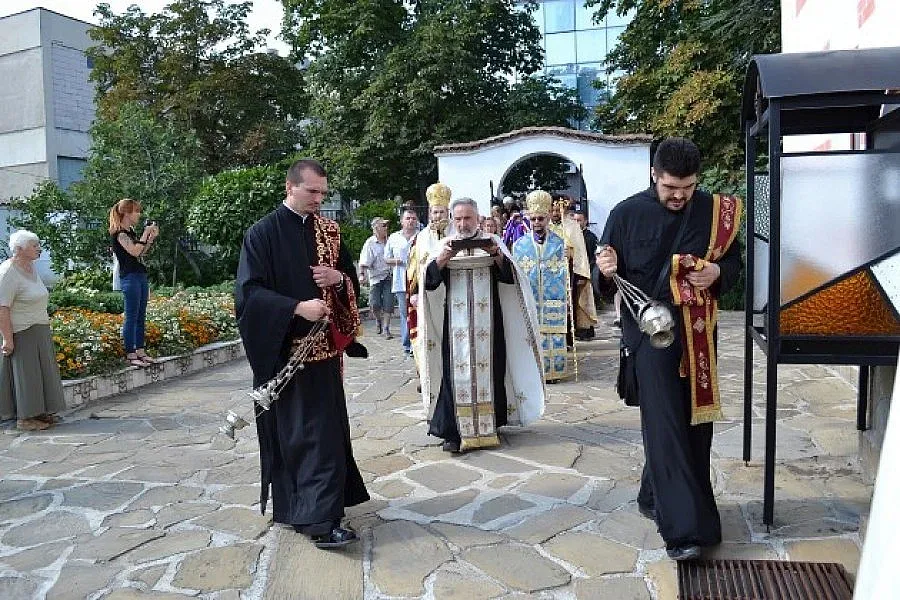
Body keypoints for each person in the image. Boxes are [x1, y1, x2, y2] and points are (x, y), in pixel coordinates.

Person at [596, 136, 742, 561]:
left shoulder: (716, 212)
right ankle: (685, 531)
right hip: (649, 336)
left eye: (688, 188)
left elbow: (736, 264)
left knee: (696, 425)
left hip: (698, 332)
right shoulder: (625, 214)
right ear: (654, 176)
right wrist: (605, 269)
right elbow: (607, 280)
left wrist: (717, 270)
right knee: (664, 426)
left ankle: (652, 494)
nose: (679, 196)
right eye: (670, 188)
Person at [236, 158, 369, 549]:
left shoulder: (330, 232)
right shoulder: (261, 234)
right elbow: (248, 294)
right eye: (312, 191)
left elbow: (350, 282)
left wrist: (338, 279)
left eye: (323, 193)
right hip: (285, 357)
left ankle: (320, 516)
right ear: (290, 187)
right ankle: (309, 517)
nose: (319, 200)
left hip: (325, 355)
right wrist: (297, 307)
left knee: (325, 437)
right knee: (299, 438)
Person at [419, 197, 544, 453]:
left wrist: (496, 255)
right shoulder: (444, 245)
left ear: (478, 218)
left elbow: (512, 279)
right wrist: (443, 259)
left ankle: (490, 426)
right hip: (454, 326)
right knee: (453, 376)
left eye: (468, 218)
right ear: (453, 220)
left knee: (492, 370)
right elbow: (428, 283)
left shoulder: (494, 243)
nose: (463, 223)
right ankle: (454, 432)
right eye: (459, 218)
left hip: (489, 324)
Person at [0, 230, 66, 431]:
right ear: (19, 249)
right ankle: (25, 418)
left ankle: (40, 412)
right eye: (34, 245)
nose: (39, 248)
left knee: (42, 374)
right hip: (22, 330)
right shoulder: (8, 272)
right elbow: (3, 308)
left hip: (39, 328)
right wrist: (7, 339)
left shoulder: (30, 267)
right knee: (26, 376)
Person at [512, 191, 570, 382]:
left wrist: (570, 259)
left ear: (547, 219)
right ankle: (535, 372)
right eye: (534, 218)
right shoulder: (519, 246)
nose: (537, 222)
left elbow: (567, 271)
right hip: (531, 299)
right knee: (532, 337)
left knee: (553, 336)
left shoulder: (560, 244)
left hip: (554, 299)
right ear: (529, 219)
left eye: (541, 218)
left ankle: (554, 372)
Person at [407, 182, 453, 372]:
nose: (438, 217)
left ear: (448, 212)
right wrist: (414, 293)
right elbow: (413, 270)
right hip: (426, 296)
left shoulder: (456, 235)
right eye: (434, 212)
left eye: (441, 212)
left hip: (451, 295)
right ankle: (427, 374)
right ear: (429, 213)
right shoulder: (421, 239)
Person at [109, 198, 159, 367]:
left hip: (139, 275)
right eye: (136, 211)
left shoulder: (130, 233)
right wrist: (145, 234)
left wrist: (150, 239)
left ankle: (140, 350)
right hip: (129, 277)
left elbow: (141, 253)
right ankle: (130, 352)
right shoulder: (120, 234)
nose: (139, 214)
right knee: (131, 316)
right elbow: (134, 250)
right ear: (126, 213)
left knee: (140, 315)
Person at [384, 208, 419, 356]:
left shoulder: (421, 236)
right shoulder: (394, 238)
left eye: (413, 218)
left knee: (417, 311)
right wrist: (397, 261)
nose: (410, 221)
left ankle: (417, 342)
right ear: (402, 221)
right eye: (408, 218)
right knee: (405, 313)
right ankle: (408, 343)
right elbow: (386, 259)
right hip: (400, 280)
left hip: (417, 280)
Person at [359, 217, 394, 338]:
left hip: (389, 276)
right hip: (375, 277)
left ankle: (386, 328)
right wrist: (362, 274)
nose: (386, 228)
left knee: (388, 303)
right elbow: (363, 261)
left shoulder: (391, 241)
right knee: (375, 304)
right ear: (375, 229)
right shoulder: (370, 243)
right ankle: (378, 320)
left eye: (386, 226)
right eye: (383, 226)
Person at [572, 207, 600, 340]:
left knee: (585, 304)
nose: (577, 223)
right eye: (575, 220)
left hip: (585, 273)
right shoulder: (573, 235)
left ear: (585, 221)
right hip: (575, 274)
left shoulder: (590, 237)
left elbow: (591, 257)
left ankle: (587, 331)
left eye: (580, 220)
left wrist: (586, 273)